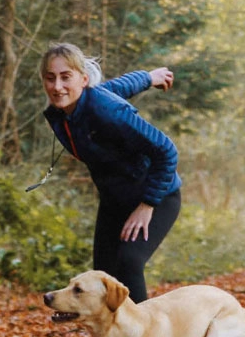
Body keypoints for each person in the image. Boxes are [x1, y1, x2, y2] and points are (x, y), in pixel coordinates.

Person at [38, 41, 181, 312]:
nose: (57, 87)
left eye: (65, 77)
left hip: (157, 195)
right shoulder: (67, 109)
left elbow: (167, 151)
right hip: (114, 199)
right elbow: (119, 86)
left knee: (129, 262)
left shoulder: (109, 111)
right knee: (102, 275)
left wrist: (147, 205)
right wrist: (149, 77)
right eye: (50, 78)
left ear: (83, 79)